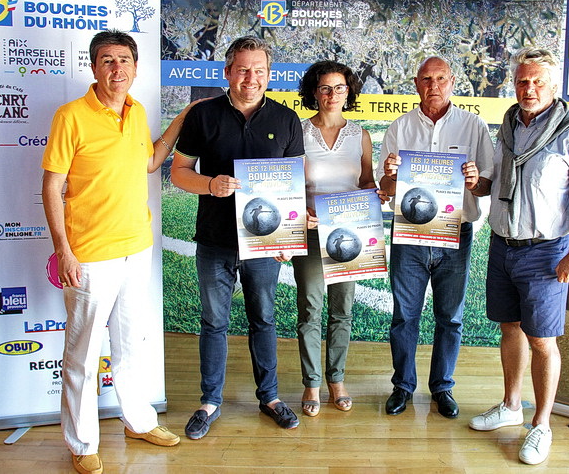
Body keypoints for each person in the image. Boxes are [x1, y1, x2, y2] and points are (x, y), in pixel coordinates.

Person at [42, 30, 188, 474]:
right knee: (83, 354)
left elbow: (147, 162)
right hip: (89, 252)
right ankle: (82, 442)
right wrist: (63, 250)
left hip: (135, 247)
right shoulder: (70, 116)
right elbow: (51, 185)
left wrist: (182, 117)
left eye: (124, 60)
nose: (117, 70)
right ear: (93, 67)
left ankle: (137, 421)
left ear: (135, 67)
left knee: (129, 344)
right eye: (107, 61)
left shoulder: (137, 110)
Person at [468, 47, 569, 465]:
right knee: (510, 328)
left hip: (547, 250)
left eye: (537, 82)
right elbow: (495, 182)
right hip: (502, 244)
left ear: (554, 86)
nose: (529, 89)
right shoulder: (509, 122)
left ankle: (540, 424)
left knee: (542, 340)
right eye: (523, 81)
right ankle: (511, 405)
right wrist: (476, 182)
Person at [170, 36, 304, 438]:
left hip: (264, 245)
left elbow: (293, 185)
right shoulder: (202, 114)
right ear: (227, 72)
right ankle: (209, 402)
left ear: (269, 74)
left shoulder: (285, 120)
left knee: (264, 318)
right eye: (243, 69)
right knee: (214, 321)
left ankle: (271, 398)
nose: (251, 78)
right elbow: (178, 172)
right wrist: (210, 184)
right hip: (214, 240)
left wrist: (287, 236)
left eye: (259, 70)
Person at [377, 56, 494, 419]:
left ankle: (442, 386)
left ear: (452, 81)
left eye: (440, 78)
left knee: (450, 317)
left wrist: (475, 180)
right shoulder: (399, 128)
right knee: (404, 316)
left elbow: (488, 182)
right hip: (409, 234)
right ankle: (403, 386)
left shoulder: (473, 126)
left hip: (456, 232)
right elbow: (385, 188)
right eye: (426, 79)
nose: (433, 85)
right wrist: (391, 175)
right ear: (416, 83)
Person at [292, 61, 376, 417]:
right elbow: (287, 185)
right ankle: (311, 382)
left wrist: (378, 192)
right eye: (325, 88)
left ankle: (336, 380)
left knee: (342, 310)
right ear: (314, 91)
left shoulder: (361, 136)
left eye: (339, 88)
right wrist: (302, 214)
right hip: (310, 233)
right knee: (310, 309)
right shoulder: (297, 132)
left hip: (349, 236)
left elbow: (368, 183)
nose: (332, 94)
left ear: (348, 92)